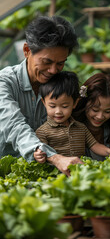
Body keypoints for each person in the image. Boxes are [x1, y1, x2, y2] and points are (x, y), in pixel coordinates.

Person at [0, 15, 82, 176]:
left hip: (42, 174)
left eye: (60, 63)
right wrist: (55, 158)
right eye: (46, 62)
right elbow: (14, 126)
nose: (53, 70)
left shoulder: (59, 85)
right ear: (26, 51)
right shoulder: (4, 82)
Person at [34, 71, 110, 162]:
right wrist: (38, 155)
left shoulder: (81, 127)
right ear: (44, 103)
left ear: (75, 103)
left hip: (80, 172)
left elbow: (95, 145)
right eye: (52, 106)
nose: (58, 112)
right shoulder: (42, 131)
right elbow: (42, 151)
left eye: (64, 106)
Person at [72, 72, 110, 161]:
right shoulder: (73, 128)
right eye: (95, 110)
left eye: (107, 111)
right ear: (84, 104)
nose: (100, 116)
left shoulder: (109, 130)